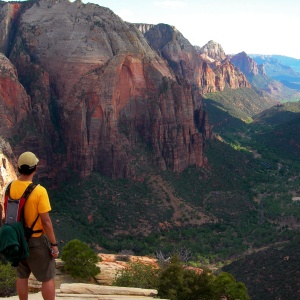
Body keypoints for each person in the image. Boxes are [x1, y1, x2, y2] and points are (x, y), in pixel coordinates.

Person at [11, 152, 59, 300]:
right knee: (47, 276)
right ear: (36, 168)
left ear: (18, 167)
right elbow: (46, 222)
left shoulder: (9, 187)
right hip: (35, 241)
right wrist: (54, 244)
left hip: (17, 239)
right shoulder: (39, 191)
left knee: (22, 275)